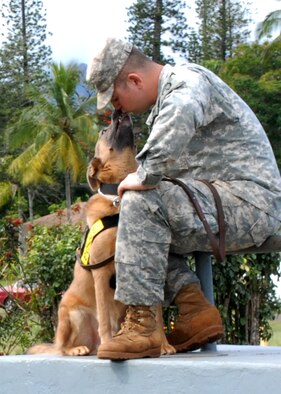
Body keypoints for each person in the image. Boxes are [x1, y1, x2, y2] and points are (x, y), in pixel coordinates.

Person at [87, 37, 281, 360]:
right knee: (135, 226)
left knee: (140, 203)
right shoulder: (166, 101)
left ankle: (143, 328)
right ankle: (195, 310)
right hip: (224, 202)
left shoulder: (186, 82)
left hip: (252, 202)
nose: (116, 109)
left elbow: (178, 121)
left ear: (135, 80)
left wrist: (142, 175)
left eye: (116, 99)